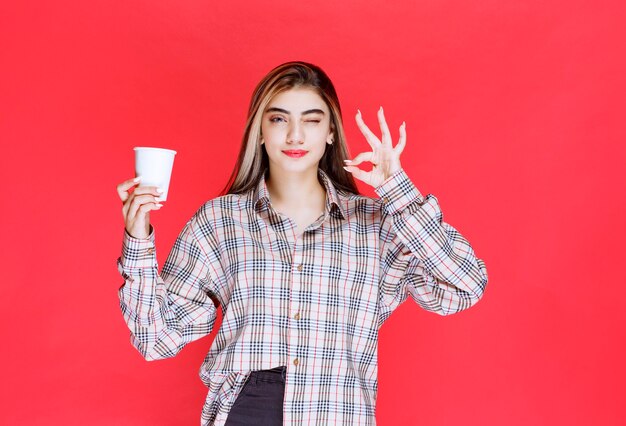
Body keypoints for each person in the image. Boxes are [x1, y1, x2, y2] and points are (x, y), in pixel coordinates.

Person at [115, 61, 489, 426]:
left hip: (336, 411)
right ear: (259, 131)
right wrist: (138, 240)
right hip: (246, 409)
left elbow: (464, 286)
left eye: (311, 120)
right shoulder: (219, 221)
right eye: (279, 119)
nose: (295, 135)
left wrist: (397, 190)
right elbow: (156, 339)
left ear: (330, 132)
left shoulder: (377, 226)